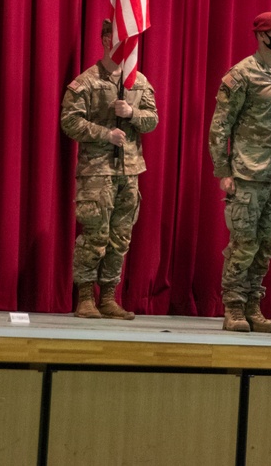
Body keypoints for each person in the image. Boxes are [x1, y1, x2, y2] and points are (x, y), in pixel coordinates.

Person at [60, 19, 159, 320]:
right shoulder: (86, 82)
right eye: (119, 39)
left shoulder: (138, 82)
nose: (126, 45)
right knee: (95, 235)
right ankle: (86, 298)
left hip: (129, 171)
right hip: (97, 172)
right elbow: (69, 121)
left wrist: (132, 113)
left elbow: (153, 119)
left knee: (121, 237)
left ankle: (108, 298)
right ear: (105, 40)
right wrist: (105, 134)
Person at [208, 11, 271, 333]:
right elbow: (221, 125)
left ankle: (253, 306)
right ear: (262, 36)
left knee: (266, 245)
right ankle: (233, 307)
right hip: (247, 173)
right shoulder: (241, 75)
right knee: (243, 244)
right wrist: (224, 169)